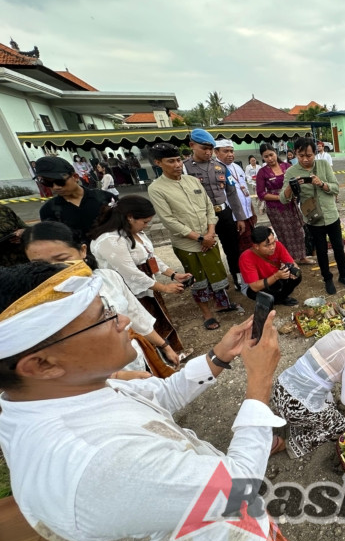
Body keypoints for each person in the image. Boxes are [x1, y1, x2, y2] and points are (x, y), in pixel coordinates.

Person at [0, 261, 307, 541]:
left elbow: (161, 395)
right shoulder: (98, 462)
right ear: (41, 364)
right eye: (102, 318)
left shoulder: (53, 396)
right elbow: (238, 487)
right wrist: (260, 383)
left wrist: (219, 356)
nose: (124, 320)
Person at [23, 223, 181, 374]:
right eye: (39, 263)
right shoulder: (35, 303)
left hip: (134, 360)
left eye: (62, 258)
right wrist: (113, 378)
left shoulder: (108, 278)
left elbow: (135, 315)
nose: (53, 268)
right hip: (94, 380)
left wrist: (164, 346)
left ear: (83, 251)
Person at [148, 142, 240, 331]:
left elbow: (208, 207)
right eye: (171, 161)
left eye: (178, 160)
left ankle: (222, 303)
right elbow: (169, 221)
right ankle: (207, 314)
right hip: (188, 244)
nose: (177, 165)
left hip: (209, 237)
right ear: (158, 163)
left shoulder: (192, 181)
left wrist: (210, 233)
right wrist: (200, 239)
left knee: (217, 273)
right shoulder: (156, 188)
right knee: (198, 280)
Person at [272, 312, 345, 458]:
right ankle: (286, 444)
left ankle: (292, 418)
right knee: (339, 425)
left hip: (279, 390)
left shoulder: (336, 333)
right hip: (296, 407)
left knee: (327, 398)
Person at [89, 195, 190, 353]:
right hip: (128, 290)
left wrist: (173, 274)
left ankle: (171, 354)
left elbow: (150, 256)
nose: (147, 226)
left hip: (146, 286)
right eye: (145, 222)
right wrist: (163, 287)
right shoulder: (111, 240)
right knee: (141, 325)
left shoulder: (134, 232)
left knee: (156, 319)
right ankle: (158, 360)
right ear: (130, 217)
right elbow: (130, 273)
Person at [281, 137, 345, 295]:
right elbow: (283, 198)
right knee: (321, 251)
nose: (305, 159)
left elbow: (336, 188)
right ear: (295, 154)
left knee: (338, 248)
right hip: (313, 218)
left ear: (315, 153)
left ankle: (344, 276)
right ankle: (327, 279)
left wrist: (321, 184)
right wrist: (291, 186)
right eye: (301, 156)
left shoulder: (323, 165)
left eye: (309, 155)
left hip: (331, 214)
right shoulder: (291, 172)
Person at [183, 128, 247, 290]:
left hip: (224, 213)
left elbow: (232, 193)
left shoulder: (220, 167)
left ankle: (238, 278)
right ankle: (215, 284)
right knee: (207, 249)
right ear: (192, 145)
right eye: (204, 148)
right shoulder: (185, 169)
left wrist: (239, 217)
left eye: (210, 148)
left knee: (232, 248)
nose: (208, 152)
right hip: (202, 217)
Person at [35, 156, 117, 243]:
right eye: (48, 183)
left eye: (60, 181)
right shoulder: (48, 211)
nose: (55, 187)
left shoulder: (106, 198)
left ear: (75, 177)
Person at [256, 144, 311, 264]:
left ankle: (302, 257)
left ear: (276, 153)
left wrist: (296, 195)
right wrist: (280, 197)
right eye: (266, 157)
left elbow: (297, 182)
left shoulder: (287, 166)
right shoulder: (262, 172)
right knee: (284, 234)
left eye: (271, 155)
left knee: (299, 231)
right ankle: (289, 260)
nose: (270, 158)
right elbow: (261, 194)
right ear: (262, 158)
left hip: (292, 205)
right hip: (276, 209)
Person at [215, 139, 258, 262]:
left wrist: (252, 211)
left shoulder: (237, 167)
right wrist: (239, 217)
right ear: (216, 152)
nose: (230, 154)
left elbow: (244, 191)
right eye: (226, 151)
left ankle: (251, 270)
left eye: (232, 151)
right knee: (236, 249)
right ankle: (240, 275)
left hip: (247, 214)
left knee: (251, 245)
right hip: (232, 217)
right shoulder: (215, 169)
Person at [239, 226, 302, 305]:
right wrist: (276, 276)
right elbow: (254, 287)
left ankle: (280, 298)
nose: (272, 247)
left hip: (273, 278)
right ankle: (277, 299)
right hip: (254, 287)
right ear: (256, 246)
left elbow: (293, 264)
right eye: (267, 245)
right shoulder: (246, 257)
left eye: (273, 242)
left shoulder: (278, 245)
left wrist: (293, 271)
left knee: (297, 276)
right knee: (261, 294)